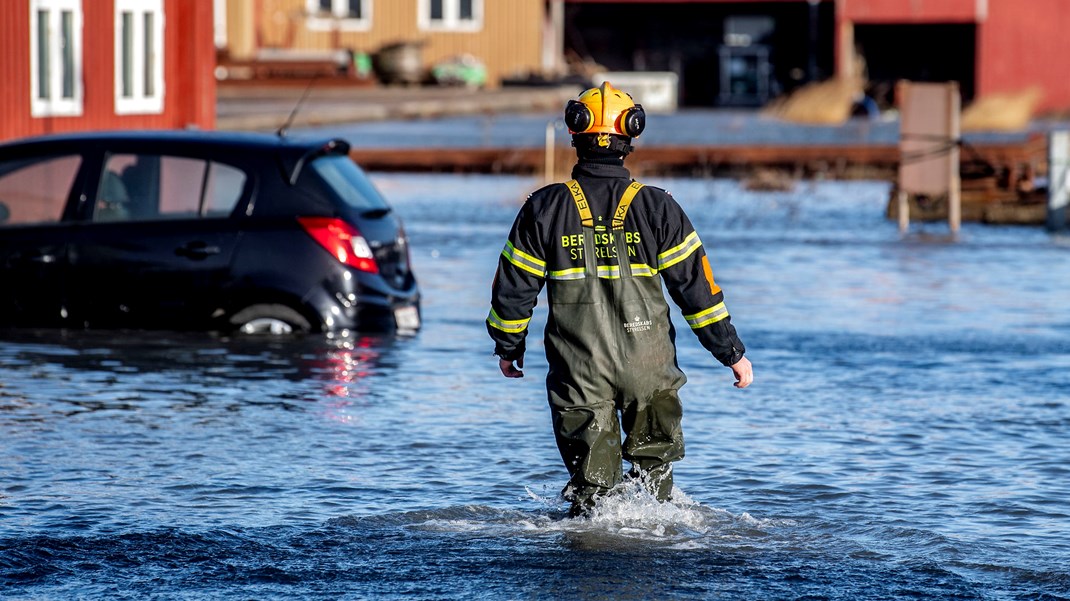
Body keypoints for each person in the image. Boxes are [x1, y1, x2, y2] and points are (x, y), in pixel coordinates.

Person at [487, 81, 753, 517]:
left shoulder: (544, 207)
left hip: (579, 368)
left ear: (575, 135)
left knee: (592, 497)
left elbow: (514, 289)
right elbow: (698, 292)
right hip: (648, 366)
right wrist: (731, 352)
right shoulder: (658, 208)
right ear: (631, 136)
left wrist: (508, 346)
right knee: (655, 491)